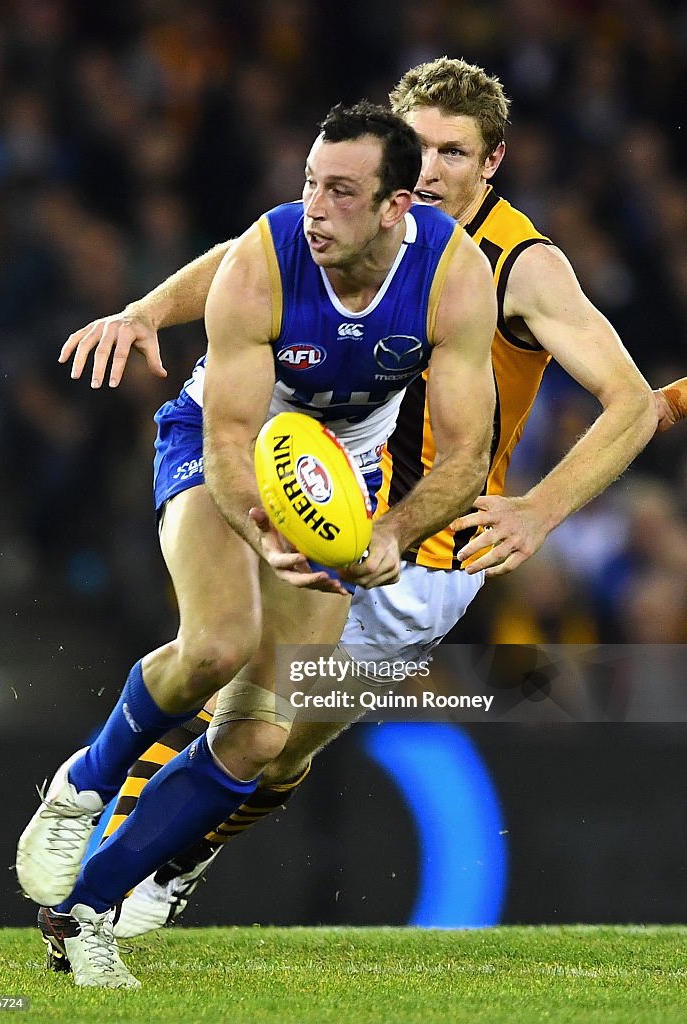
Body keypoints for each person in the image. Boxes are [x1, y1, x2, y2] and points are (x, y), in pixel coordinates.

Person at [47, 57, 687, 946]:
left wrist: (539, 510)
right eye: (416, 146)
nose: (429, 170)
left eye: (453, 153)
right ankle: (86, 886)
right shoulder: (353, 217)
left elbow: (634, 403)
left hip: (430, 556)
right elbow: (251, 259)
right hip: (320, 497)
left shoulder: (519, 267)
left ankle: (175, 859)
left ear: (490, 163)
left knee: (284, 751)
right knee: (230, 678)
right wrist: (149, 310)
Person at [16, 99, 497, 988]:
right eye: (311, 183)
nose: (316, 207)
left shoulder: (455, 276)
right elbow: (233, 439)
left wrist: (394, 531)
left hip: (343, 478)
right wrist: (260, 534)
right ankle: (82, 784)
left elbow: (469, 454)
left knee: (261, 736)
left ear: (398, 207)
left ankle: (80, 911)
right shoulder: (263, 260)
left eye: (343, 192)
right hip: (216, 445)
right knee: (218, 643)